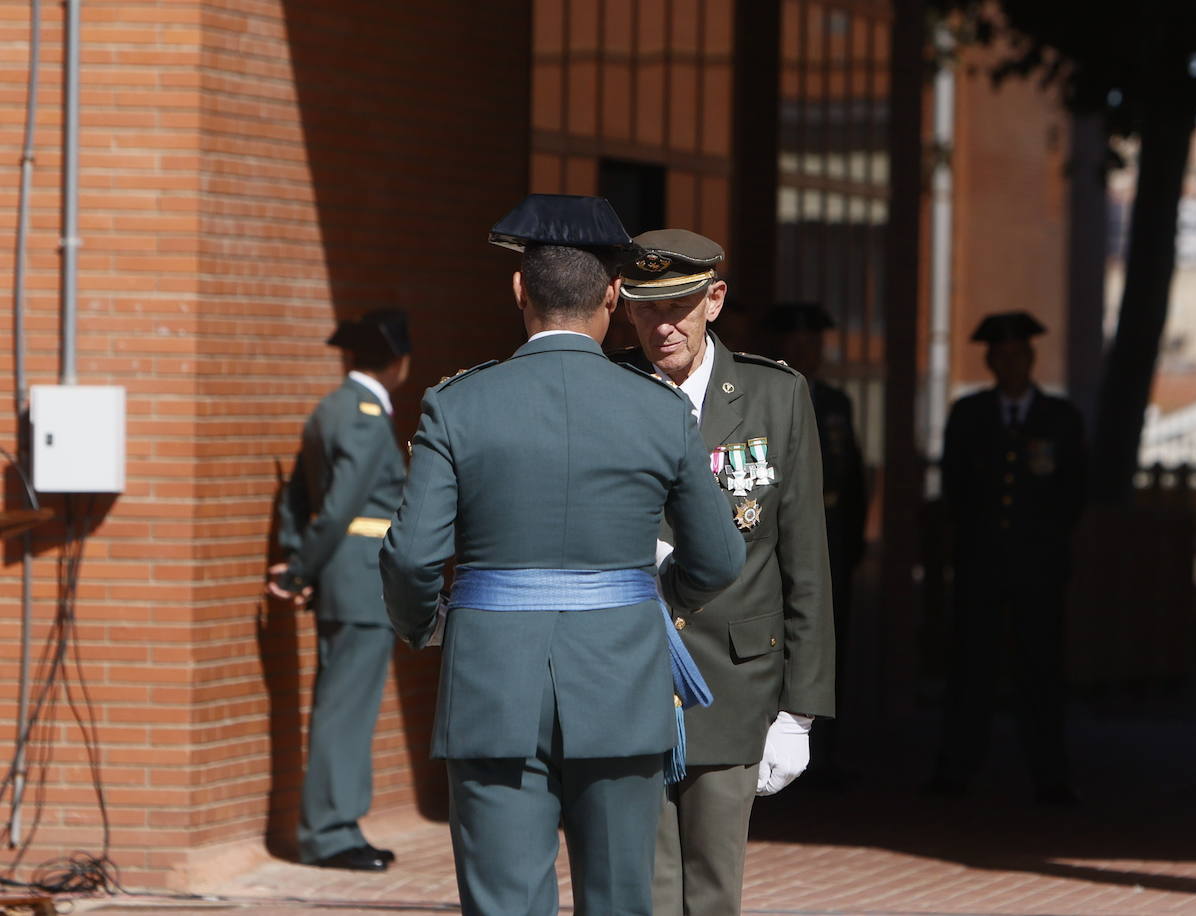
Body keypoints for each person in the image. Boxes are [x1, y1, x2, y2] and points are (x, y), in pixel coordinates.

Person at [378, 195, 745, 916]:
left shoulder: (458, 403)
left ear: (519, 289)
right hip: (622, 677)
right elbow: (718, 558)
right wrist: (644, 601)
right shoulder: (660, 408)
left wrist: (428, 626)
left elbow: (414, 557)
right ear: (614, 294)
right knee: (619, 902)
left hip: (492, 679)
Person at [612, 230, 835, 916]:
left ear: (714, 301)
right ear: (625, 308)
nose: (663, 326)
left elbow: (805, 559)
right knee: (643, 892)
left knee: (712, 891)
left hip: (734, 684)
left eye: (678, 307)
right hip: (627, 674)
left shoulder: (775, 394)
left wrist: (800, 711)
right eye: (647, 308)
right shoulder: (605, 389)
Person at [267, 308, 411, 871]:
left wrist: (296, 560)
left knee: (341, 705)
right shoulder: (365, 415)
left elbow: (295, 498)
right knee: (346, 709)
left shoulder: (330, 408)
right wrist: (301, 572)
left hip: (341, 574)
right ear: (399, 362)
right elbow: (340, 506)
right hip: (358, 578)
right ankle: (330, 833)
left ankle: (338, 825)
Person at [929, 310, 1086, 805]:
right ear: (991, 361)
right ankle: (956, 769)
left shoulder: (1060, 418)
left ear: (1031, 358)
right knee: (971, 669)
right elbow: (955, 488)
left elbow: (1074, 492)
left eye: (1018, 354)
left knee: (1041, 671)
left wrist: (1047, 548)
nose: (1010, 363)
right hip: (980, 568)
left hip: (1039, 571)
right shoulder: (969, 415)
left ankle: (1050, 775)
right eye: (1001, 355)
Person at [761, 302, 866, 772]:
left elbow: (855, 479)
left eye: (814, 342)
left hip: (832, 536)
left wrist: (853, 543)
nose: (807, 350)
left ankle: (828, 753)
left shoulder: (837, 402)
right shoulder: (765, 394)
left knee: (829, 643)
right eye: (797, 342)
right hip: (777, 537)